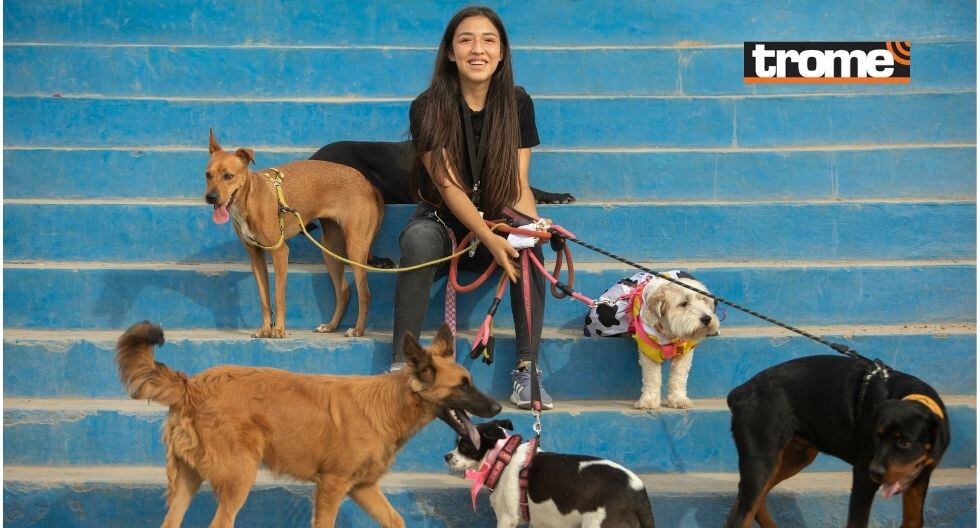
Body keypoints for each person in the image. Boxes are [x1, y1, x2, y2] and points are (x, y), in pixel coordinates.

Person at [312, 6, 555, 410]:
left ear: (502, 52)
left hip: (496, 217)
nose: (478, 49)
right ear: (449, 52)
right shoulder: (428, 106)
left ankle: (528, 370)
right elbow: (449, 186)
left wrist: (526, 228)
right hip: (443, 219)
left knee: (529, 247)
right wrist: (487, 240)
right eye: (466, 40)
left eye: (488, 40)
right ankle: (401, 370)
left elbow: (517, 182)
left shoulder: (518, 102)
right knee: (421, 239)